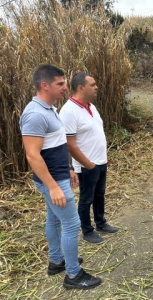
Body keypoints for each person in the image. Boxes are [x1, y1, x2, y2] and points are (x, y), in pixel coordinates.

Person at [19, 64, 101, 290]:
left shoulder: (49, 108)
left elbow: (56, 145)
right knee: (72, 223)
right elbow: (32, 155)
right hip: (52, 180)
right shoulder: (35, 114)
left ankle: (57, 261)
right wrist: (53, 186)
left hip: (59, 175)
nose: (66, 87)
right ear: (44, 86)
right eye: (60, 84)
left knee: (54, 219)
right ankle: (73, 276)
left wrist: (69, 169)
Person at [59, 72, 118, 244]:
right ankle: (87, 230)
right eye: (92, 85)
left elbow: (95, 134)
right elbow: (69, 144)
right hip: (86, 165)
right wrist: (88, 164)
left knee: (99, 194)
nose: (96, 87)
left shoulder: (90, 106)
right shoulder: (69, 111)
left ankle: (101, 223)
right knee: (86, 198)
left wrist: (103, 157)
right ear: (81, 88)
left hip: (100, 161)